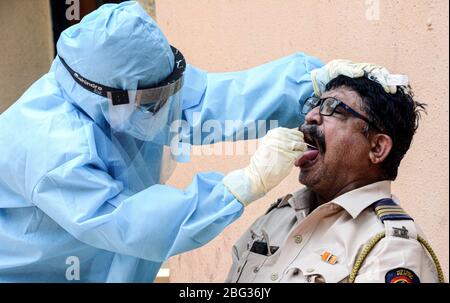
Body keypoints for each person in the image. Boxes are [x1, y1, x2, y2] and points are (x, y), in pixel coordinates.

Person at [0, 1, 325, 282]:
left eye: (167, 91)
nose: (165, 108)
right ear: (109, 96)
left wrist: (308, 82)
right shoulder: (53, 148)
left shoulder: (122, 95)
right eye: (151, 99)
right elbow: (127, 222)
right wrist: (241, 186)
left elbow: (203, 102)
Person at [225, 61, 445, 283]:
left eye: (334, 108)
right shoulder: (279, 216)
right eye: (314, 104)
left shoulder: (391, 249)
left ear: (377, 148)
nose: (310, 116)